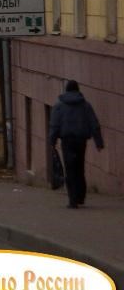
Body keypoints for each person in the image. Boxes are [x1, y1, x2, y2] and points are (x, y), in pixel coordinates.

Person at [49, 80, 104, 208]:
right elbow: (94, 124)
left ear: (66, 90)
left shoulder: (59, 106)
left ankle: (73, 200)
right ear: (78, 90)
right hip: (81, 141)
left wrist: (52, 141)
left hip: (67, 141)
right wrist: (99, 142)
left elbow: (54, 125)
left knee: (70, 169)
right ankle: (80, 196)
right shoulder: (85, 105)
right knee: (79, 168)